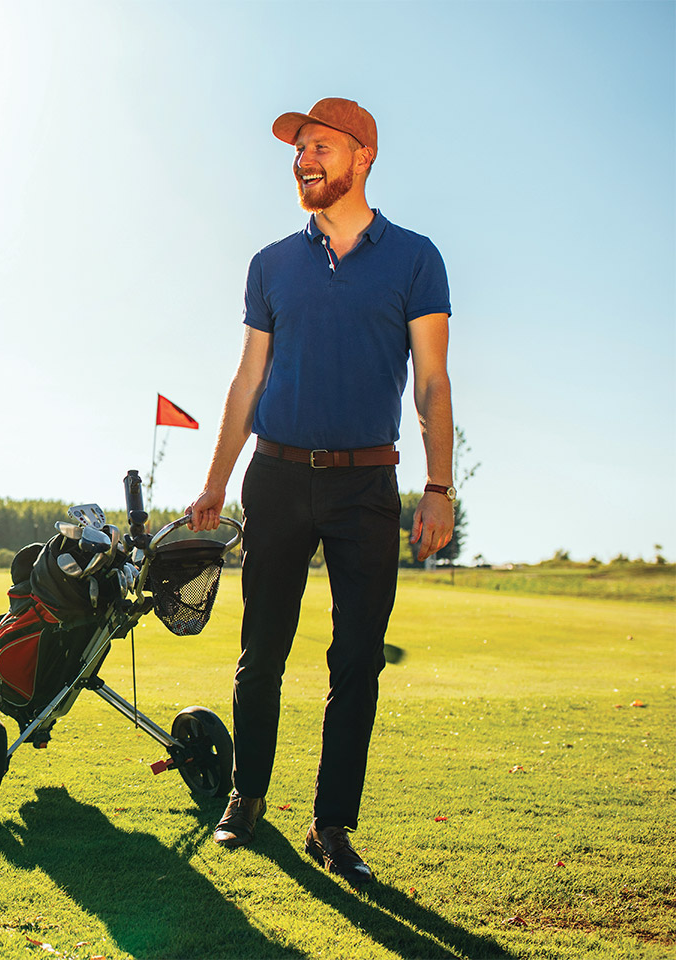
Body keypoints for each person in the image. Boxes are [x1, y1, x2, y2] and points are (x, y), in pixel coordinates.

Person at [185, 98, 455, 884]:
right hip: (275, 476)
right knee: (259, 652)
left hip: (369, 483)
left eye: (321, 146)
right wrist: (216, 481)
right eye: (299, 148)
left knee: (357, 662)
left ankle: (332, 825)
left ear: (363, 155)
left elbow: (433, 382)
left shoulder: (415, 258)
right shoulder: (270, 264)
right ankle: (246, 798)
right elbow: (248, 379)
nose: (304, 158)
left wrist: (438, 486)